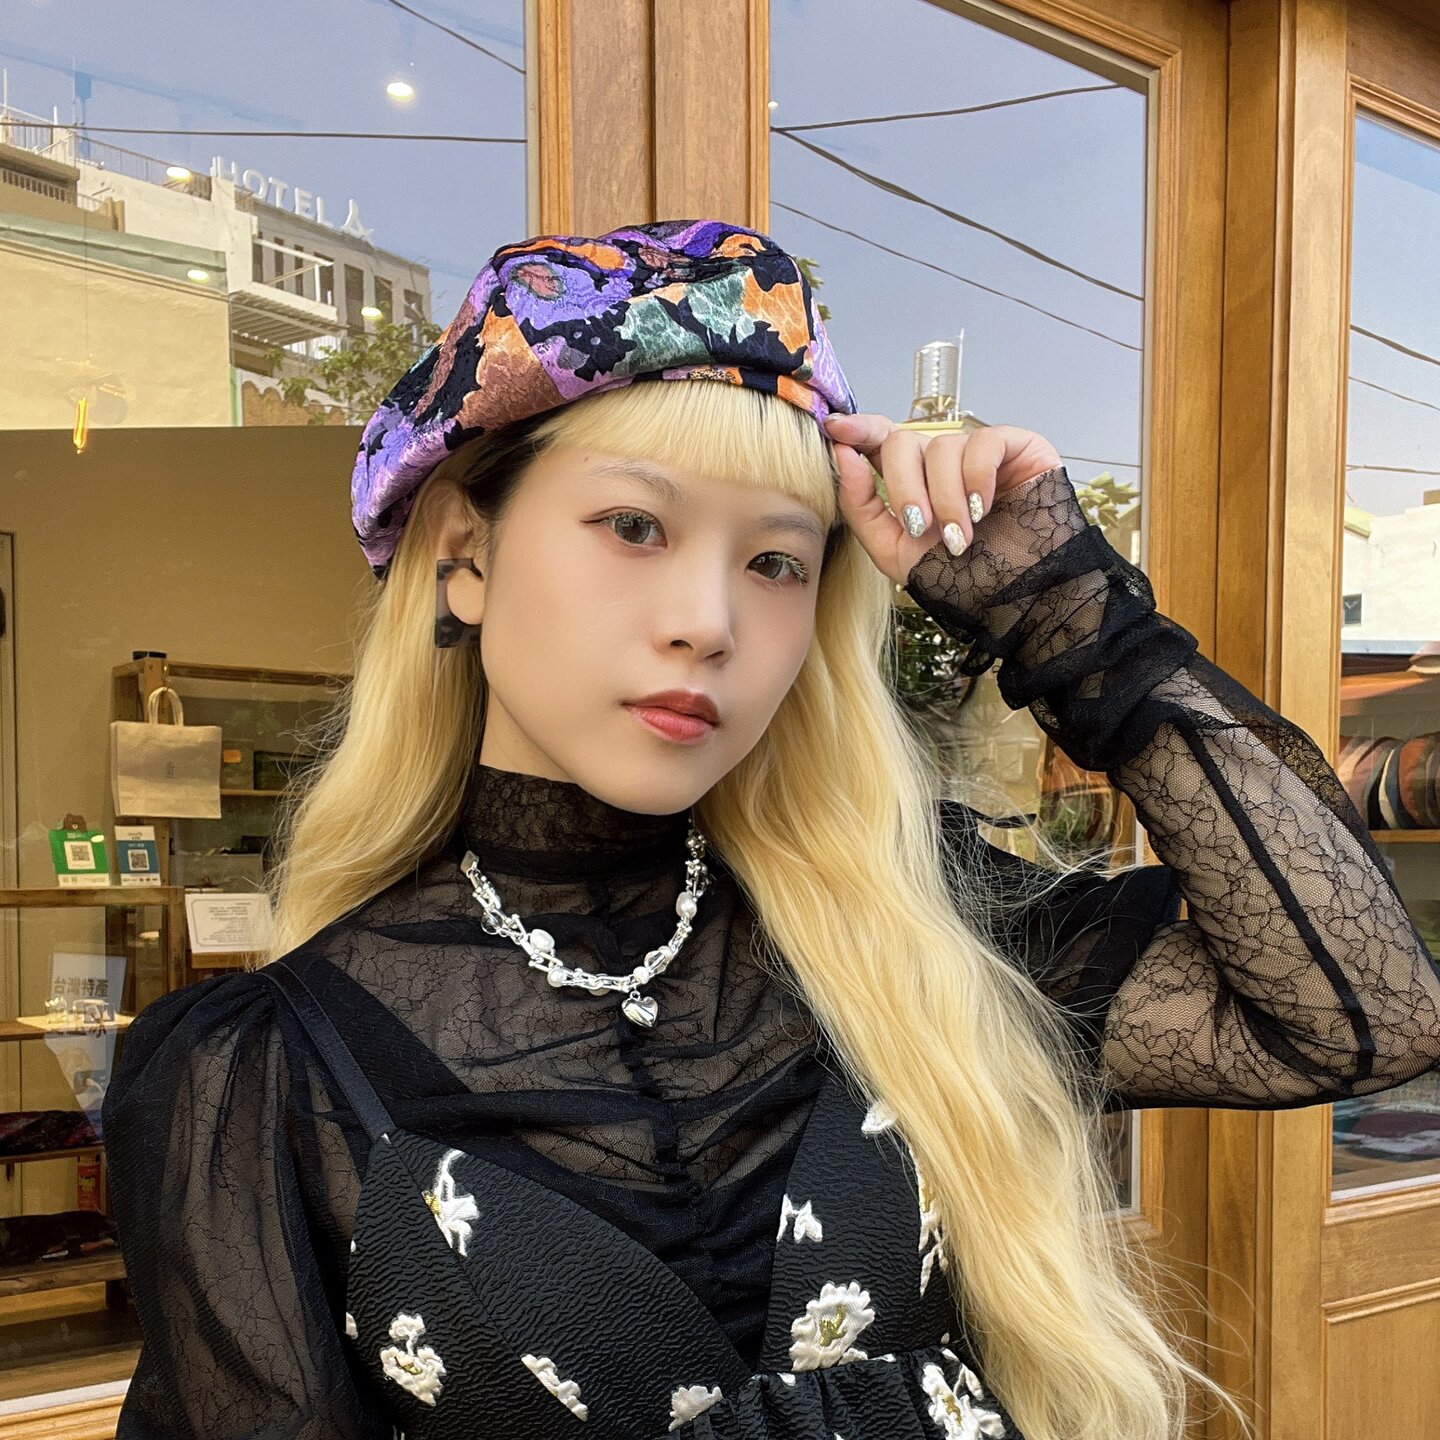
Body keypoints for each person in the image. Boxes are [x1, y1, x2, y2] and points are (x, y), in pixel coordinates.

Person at [100, 219, 1440, 1440]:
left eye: (776, 562)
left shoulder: (908, 932)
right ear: (463, 553)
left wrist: (1064, 614)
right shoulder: (267, 1075)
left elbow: (1357, 1019)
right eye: (634, 524)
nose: (709, 622)